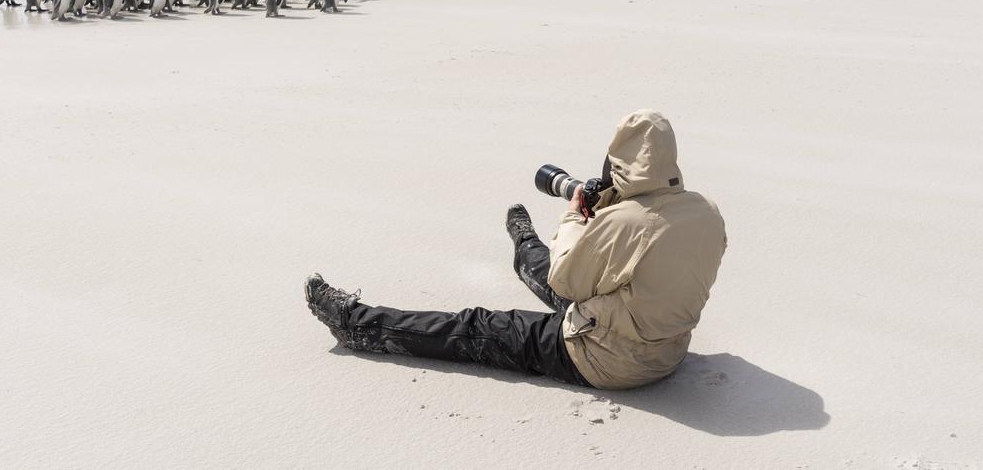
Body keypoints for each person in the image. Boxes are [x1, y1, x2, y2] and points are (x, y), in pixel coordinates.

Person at [305, 109, 727, 389]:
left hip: (606, 359)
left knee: (477, 326)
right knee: (555, 268)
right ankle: (524, 243)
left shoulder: (626, 222)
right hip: (666, 348)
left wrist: (577, 214)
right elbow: (653, 264)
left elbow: (566, 279)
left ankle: (355, 324)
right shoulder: (706, 210)